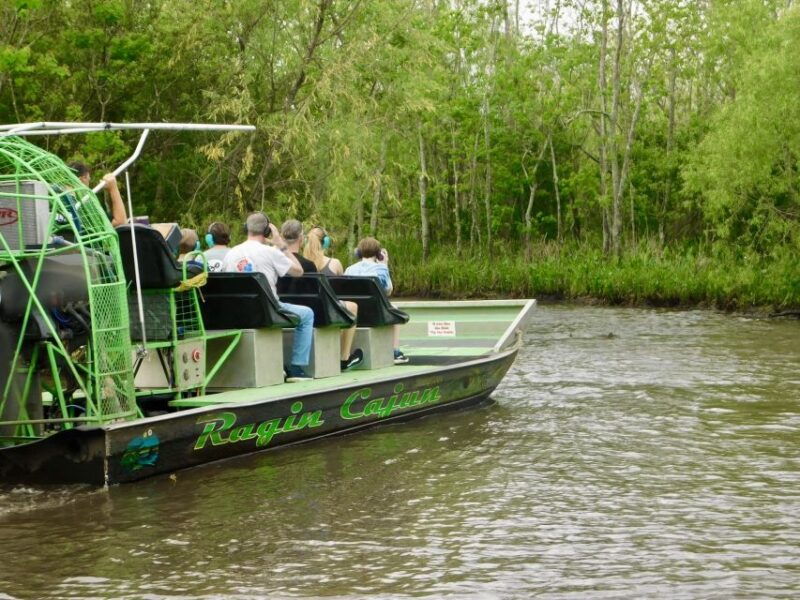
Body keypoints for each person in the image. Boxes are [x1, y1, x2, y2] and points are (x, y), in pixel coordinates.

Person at [223, 212, 314, 382]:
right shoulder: (270, 252)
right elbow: (298, 271)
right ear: (267, 231)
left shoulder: (231, 254)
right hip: (268, 310)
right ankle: (296, 368)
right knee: (307, 314)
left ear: (246, 229)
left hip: (238, 313)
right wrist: (281, 245)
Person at [303, 225, 364, 370]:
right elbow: (342, 289)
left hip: (306, 308)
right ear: (326, 242)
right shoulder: (334, 264)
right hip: (326, 310)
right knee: (352, 307)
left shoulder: (299, 263)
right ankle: (344, 357)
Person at [345, 237, 408, 364]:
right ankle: (395, 351)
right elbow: (388, 291)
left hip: (354, 314)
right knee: (394, 309)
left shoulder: (349, 269)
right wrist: (385, 265)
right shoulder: (381, 269)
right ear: (378, 254)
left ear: (358, 252)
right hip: (375, 314)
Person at [68, 162, 127, 227]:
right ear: (83, 178)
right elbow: (121, 222)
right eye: (88, 179)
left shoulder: (60, 202)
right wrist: (113, 188)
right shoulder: (87, 206)